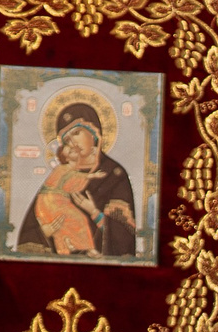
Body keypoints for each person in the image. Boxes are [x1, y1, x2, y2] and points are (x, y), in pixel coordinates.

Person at [16, 101, 139, 258]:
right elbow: (32, 226)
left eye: (76, 133)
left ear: (94, 132)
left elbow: (124, 237)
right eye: (66, 140)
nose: (72, 142)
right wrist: (44, 231)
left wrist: (94, 213)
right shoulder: (60, 174)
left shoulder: (114, 175)